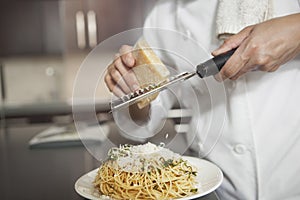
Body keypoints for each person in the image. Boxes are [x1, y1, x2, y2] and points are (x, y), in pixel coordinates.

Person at [105, 0, 300, 199]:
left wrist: (296, 29)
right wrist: (132, 89)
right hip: (215, 189)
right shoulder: (162, 17)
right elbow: (142, 122)